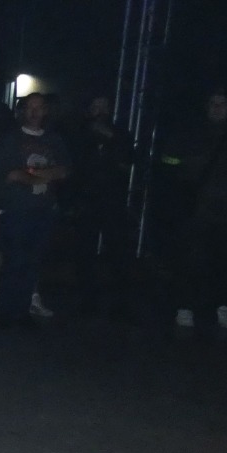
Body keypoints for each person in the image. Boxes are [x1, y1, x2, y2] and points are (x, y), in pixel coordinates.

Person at [162, 89, 227, 331]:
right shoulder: (189, 134)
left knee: (226, 262)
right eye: (213, 103)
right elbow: (168, 161)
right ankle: (185, 307)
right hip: (197, 209)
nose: (217, 108)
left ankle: (223, 307)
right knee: (191, 260)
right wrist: (184, 174)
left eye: (222, 103)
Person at [0, 93, 71, 329]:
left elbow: (64, 170)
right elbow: (11, 174)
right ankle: (6, 314)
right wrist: (41, 176)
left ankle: (22, 312)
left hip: (44, 210)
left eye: (40, 107)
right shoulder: (11, 139)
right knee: (14, 261)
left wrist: (33, 174)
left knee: (33, 262)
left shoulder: (54, 139)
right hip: (17, 210)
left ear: (46, 110)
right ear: (23, 111)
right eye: (30, 107)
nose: (35, 112)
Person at [67, 96, 134, 319]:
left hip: (113, 200)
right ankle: (88, 299)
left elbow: (128, 160)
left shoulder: (120, 134)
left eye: (104, 106)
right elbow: (72, 165)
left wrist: (110, 138)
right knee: (84, 251)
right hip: (86, 200)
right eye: (96, 106)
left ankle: (120, 303)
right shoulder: (79, 134)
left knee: (118, 252)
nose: (100, 111)